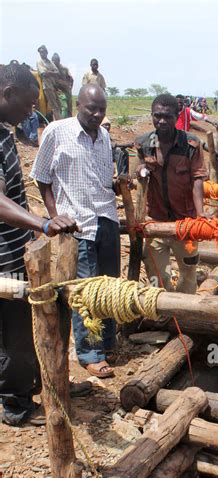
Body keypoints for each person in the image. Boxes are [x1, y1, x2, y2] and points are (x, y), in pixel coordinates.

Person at [0, 62, 79, 426]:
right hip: (3, 258)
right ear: (7, 94)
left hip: (17, 248)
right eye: (29, 104)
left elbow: (15, 193)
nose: (33, 111)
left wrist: (31, 232)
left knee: (31, 321)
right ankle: (15, 405)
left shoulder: (5, 132)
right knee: (14, 333)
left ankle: (40, 384)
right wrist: (42, 223)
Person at [31, 84, 121, 379]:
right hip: (78, 225)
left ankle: (107, 342)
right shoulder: (57, 132)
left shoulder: (105, 136)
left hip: (106, 219)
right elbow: (42, 178)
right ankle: (90, 354)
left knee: (108, 287)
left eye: (101, 109)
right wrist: (56, 216)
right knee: (85, 291)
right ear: (78, 106)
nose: (96, 114)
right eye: (90, 108)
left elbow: (103, 180)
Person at [134, 93, 208, 298]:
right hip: (155, 222)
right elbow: (136, 174)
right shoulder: (143, 144)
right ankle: (162, 316)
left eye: (167, 116)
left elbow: (197, 178)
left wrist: (200, 214)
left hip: (186, 223)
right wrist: (141, 170)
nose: (161, 121)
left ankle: (184, 315)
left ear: (177, 117)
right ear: (151, 115)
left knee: (188, 272)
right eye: (157, 116)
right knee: (156, 275)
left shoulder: (190, 144)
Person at [36, 45, 62, 121]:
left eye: (43, 52)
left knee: (59, 105)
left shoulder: (50, 62)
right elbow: (43, 73)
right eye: (40, 52)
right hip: (47, 86)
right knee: (54, 106)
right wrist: (52, 72)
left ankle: (57, 120)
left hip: (54, 86)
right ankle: (58, 122)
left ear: (46, 52)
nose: (42, 54)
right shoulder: (39, 62)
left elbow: (57, 72)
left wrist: (49, 72)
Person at [51, 53, 73, 117]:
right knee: (64, 107)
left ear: (58, 60)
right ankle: (63, 122)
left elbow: (71, 79)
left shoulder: (64, 69)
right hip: (59, 91)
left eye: (55, 60)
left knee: (69, 108)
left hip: (67, 90)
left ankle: (70, 122)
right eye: (52, 60)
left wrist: (70, 87)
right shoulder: (52, 70)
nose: (53, 62)